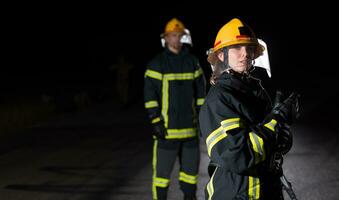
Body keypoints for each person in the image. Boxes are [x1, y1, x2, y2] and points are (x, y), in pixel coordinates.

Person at [199, 18, 299, 200]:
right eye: (237, 48)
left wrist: (283, 137)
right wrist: (276, 121)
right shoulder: (219, 98)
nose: (245, 54)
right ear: (221, 55)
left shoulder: (254, 91)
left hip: (267, 189)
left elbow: (267, 142)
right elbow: (238, 156)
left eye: (249, 48)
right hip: (236, 193)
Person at [144, 17, 206, 200]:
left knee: (190, 179)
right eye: (173, 35)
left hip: (190, 135)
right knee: (161, 180)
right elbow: (150, 97)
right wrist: (155, 121)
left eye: (179, 35)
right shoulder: (157, 64)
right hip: (166, 134)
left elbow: (201, 94)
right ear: (166, 38)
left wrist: (203, 121)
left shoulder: (192, 62)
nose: (176, 39)